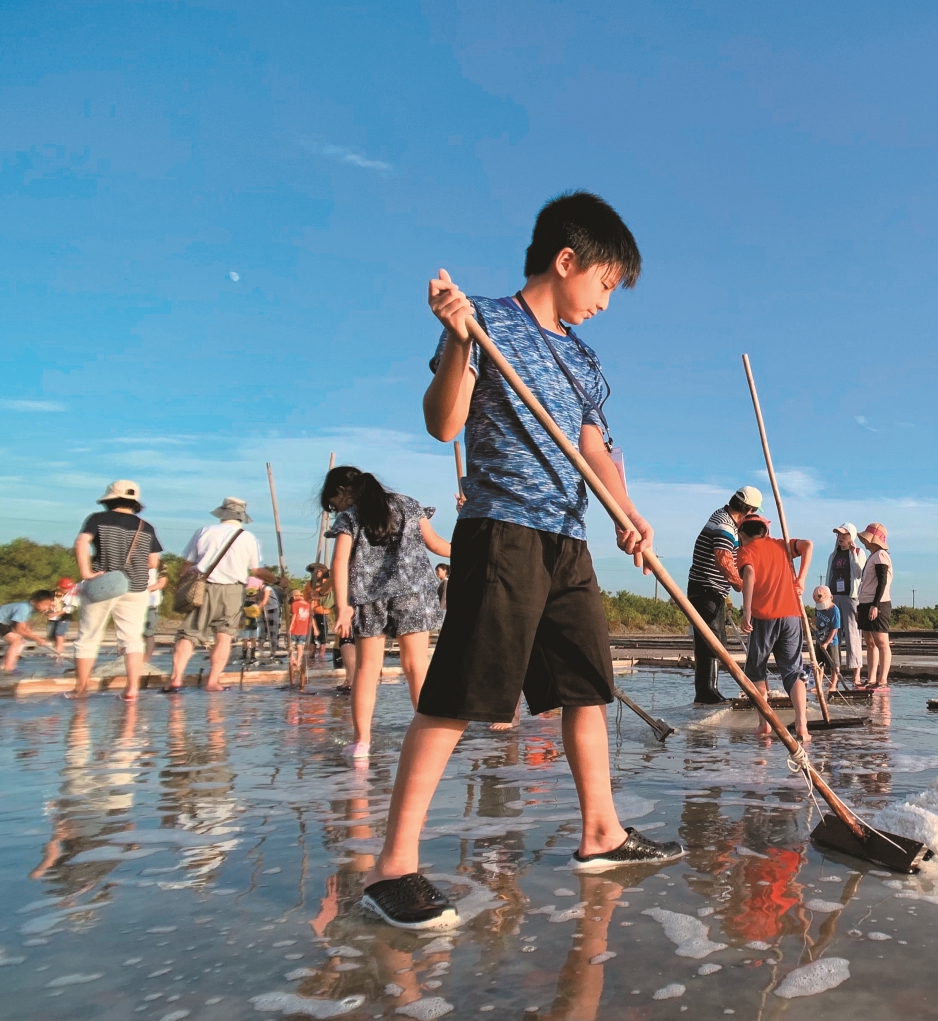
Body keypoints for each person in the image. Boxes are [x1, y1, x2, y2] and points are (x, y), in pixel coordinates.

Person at [360, 191, 682, 930]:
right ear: (567, 261)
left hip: (568, 537)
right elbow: (443, 422)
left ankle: (601, 831)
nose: (605, 302)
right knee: (459, 693)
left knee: (586, 687)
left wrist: (627, 512)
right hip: (501, 531)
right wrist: (458, 341)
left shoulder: (582, 357)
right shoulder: (482, 320)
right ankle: (393, 867)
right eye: (605, 284)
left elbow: (595, 444)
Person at [323, 465, 452, 761]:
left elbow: (339, 562)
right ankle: (427, 737)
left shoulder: (350, 517)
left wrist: (343, 607)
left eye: (333, 503)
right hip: (413, 593)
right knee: (416, 666)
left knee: (367, 670)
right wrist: (472, 548)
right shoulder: (407, 504)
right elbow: (436, 545)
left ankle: (361, 742)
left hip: (369, 598)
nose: (335, 509)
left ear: (342, 491)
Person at [72, 480, 164, 700]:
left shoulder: (97, 519)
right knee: (132, 639)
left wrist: (86, 572)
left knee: (89, 637)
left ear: (110, 499)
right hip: (136, 587)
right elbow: (153, 562)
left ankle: (81, 689)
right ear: (135, 502)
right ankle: (132, 689)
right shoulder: (146, 526)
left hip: (104, 583)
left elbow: (81, 542)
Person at [168, 497, 264, 693]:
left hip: (203, 586)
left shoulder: (204, 531)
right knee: (224, 636)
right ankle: (212, 681)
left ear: (222, 513)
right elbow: (256, 571)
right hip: (233, 590)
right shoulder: (248, 537)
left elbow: (186, 563)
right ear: (241, 516)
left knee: (189, 633)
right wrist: (279, 581)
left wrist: (182, 584)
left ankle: (176, 678)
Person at [736, 514, 813, 743]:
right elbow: (808, 545)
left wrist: (746, 611)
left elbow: (749, 573)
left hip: (764, 617)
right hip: (791, 616)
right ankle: (802, 724)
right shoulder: (782, 545)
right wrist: (801, 579)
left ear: (742, 534)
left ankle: (764, 724)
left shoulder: (746, 551)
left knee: (756, 671)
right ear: (765, 531)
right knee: (793, 670)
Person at [686, 487, 763, 704]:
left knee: (716, 639)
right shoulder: (725, 525)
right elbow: (723, 559)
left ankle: (709, 690)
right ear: (748, 509)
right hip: (705, 588)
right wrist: (742, 585)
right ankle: (706, 692)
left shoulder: (725, 519)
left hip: (712, 590)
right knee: (711, 641)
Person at [823, 522, 867, 687]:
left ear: (851, 536)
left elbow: (859, 574)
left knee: (853, 635)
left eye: (844, 534)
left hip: (850, 597)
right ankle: (834, 677)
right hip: (834, 597)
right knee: (834, 636)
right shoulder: (833, 555)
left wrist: (853, 554)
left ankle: (856, 677)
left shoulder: (858, 552)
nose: (841, 537)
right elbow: (829, 575)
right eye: (839, 534)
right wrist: (826, 596)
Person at [857, 523, 893, 689]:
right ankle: (871, 678)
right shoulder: (872, 556)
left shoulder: (881, 556)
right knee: (870, 643)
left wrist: (875, 605)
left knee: (881, 642)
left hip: (878, 603)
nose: (864, 541)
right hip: (865, 602)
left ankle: (882, 680)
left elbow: (882, 581)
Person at [0, 591, 56, 672]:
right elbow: (19, 630)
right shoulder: (24, 608)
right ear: (35, 601)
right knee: (16, 641)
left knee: (19, 642)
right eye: (45, 604)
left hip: (3, 623)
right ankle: (8, 669)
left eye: (49, 605)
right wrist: (36, 639)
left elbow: (25, 628)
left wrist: (36, 638)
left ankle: (2, 667)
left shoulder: (31, 609)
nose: (47, 608)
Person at [811, 585, 841, 693]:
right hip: (820, 640)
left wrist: (827, 642)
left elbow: (835, 629)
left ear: (831, 597)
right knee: (819, 663)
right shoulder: (818, 608)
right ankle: (818, 685)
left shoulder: (834, 610)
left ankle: (833, 685)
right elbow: (816, 620)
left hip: (831, 642)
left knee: (834, 664)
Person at [44, 577, 79, 663]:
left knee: (59, 634)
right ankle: (57, 649)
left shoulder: (71, 596)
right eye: (65, 588)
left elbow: (69, 609)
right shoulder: (51, 594)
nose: (67, 590)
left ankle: (58, 652)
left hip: (64, 617)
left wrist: (56, 614)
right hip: (52, 617)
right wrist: (48, 608)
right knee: (51, 636)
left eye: (68, 588)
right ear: (59, 587)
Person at [142, 564, 167, 662]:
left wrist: (144, 590)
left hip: (151, 603)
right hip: (132, 602)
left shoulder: (161, 563)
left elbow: (161, 583)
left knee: (148, 633)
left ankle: (146, 661)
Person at [288, 591, 315, 677]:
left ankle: (293, 659)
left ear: (294, 597)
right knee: (300, 645)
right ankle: (298, 660)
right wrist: (315, 628)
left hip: (295, 628)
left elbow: (294, 615)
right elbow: (311, 618)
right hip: (304, 629)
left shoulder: (295, 604)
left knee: (291, 645)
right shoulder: (309, 605)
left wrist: (290, 626)